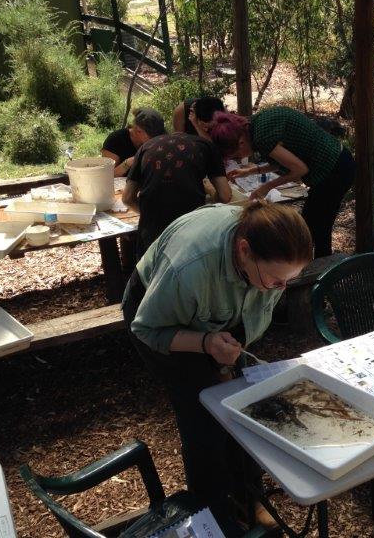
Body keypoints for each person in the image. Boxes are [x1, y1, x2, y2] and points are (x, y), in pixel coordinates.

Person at [122, 201, 313, 528]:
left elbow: (254, 308)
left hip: (218, 312)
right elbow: (147, 329)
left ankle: (248, 499)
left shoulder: (267, 264)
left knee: (245, 408)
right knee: (204, 418)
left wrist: (225, 360)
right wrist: (205, 343)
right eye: (276, 281)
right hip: (162, 317)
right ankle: (213, 516)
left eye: (289, 280)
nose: (282, 290)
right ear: (244, 251)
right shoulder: (190, 267)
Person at [210, 107, 355, 258]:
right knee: (314, 224)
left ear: (240, 142)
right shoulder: (257, 125)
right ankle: (317, 263)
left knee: (315, 226)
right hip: (337, 163)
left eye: (236, 155)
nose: (239, 159)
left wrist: (265, 187)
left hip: (335, 169)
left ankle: (320, 267)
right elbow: (283, 162)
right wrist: (249, 171)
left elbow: (299, 169)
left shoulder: (263, 137)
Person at [121, 131, 232, 259]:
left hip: (152, 232)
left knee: (150, 274)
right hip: (189, 228)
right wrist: (210, 190)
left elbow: (127, 198)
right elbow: (225, 196)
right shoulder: (208, 146)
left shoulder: (147, 146)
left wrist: (148, 214)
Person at [101, 107, 166, 177]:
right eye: (152, 136)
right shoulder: (115, 140)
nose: (157, 139)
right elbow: (106, 176)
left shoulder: (162, 138)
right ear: (138, 131)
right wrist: (128, 163)